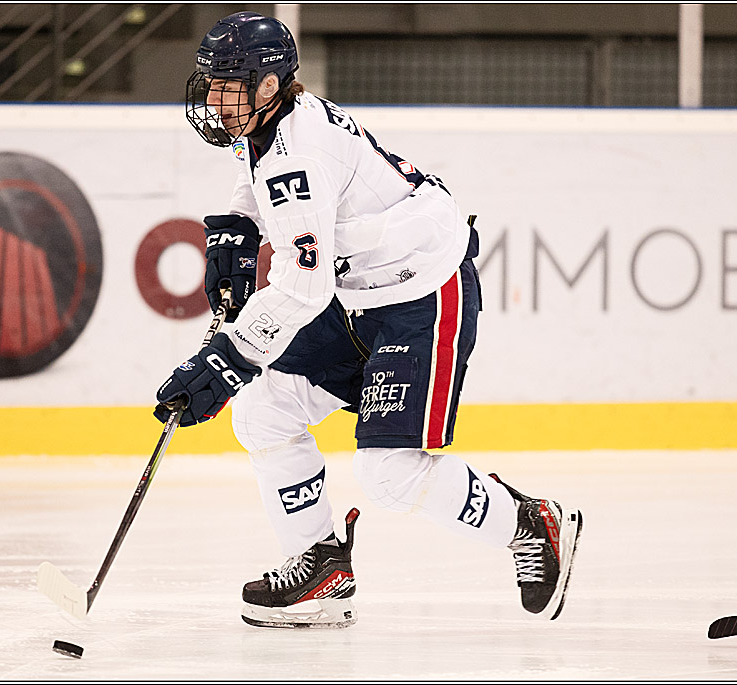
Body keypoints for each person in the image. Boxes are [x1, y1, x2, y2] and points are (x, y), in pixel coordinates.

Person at [154, 11, 583, 628]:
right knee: (264, 410)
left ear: (269, 86)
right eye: (212, 84)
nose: (215, 100)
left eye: (229, 86)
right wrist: (238, 223)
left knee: (387, 473)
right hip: (360, 293)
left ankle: (532, 525)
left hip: (421, 296)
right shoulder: (271, 122)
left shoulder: (295, 156)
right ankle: (321, 567)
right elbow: (260, 179)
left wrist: (228, 358)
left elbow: (301, 286)